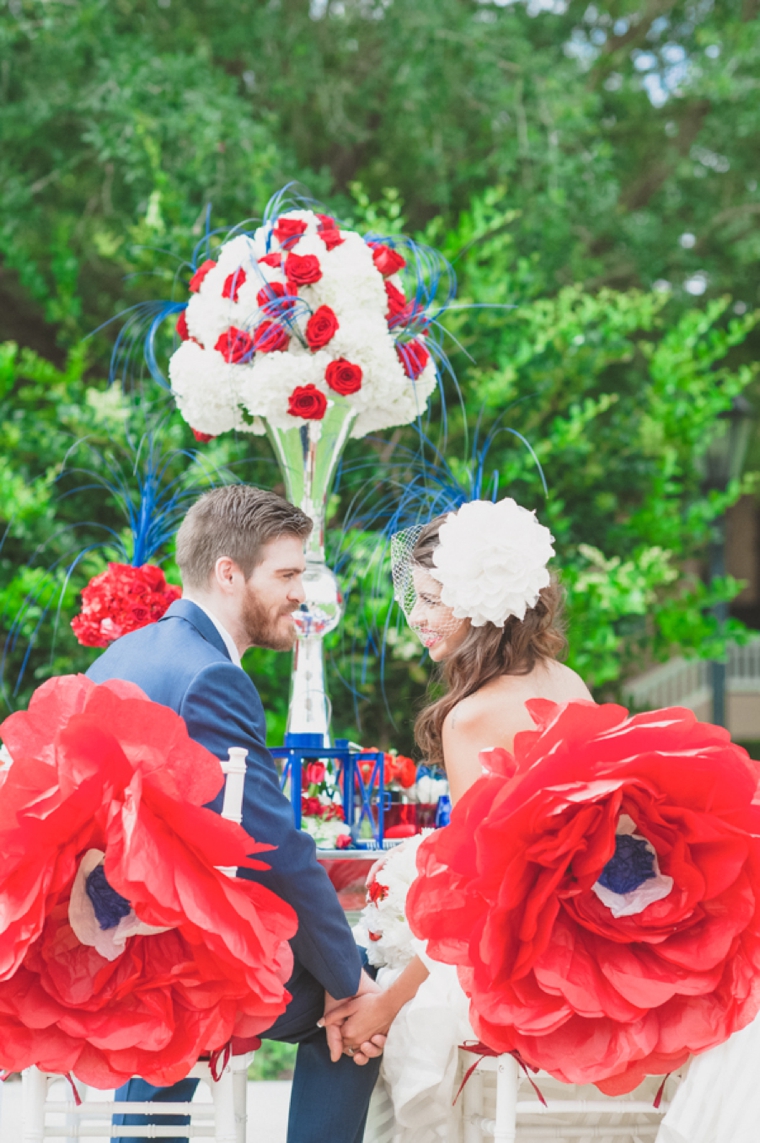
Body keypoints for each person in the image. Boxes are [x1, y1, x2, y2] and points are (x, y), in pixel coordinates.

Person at [86, 484, 383, 1143]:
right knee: (368, 1000)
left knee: (188, 952)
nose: (300, 593)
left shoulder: (120, 657)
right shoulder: (211, 678)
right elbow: (275, 849)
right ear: (228, 572)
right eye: (286, 573)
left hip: (103, 946)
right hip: (175, 963)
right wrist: (348, 979)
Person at [323, 499, 594, 1141]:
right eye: (415, 598)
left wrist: (389, 1003)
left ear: (481, 603)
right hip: (581, 942)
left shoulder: (470, 718)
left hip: (514, 955)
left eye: (433, 598)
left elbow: (483, 895)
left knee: (370, 1023)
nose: (416, 617)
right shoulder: (571, 683)